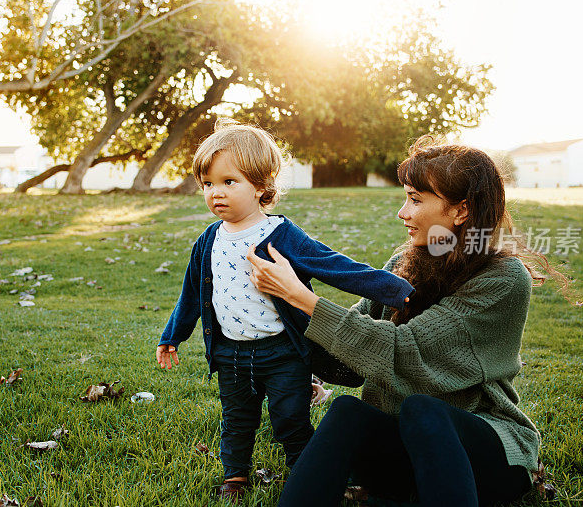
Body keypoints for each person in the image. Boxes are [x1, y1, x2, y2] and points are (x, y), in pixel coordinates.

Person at [248, 136, 562, 507]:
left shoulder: (503, 279)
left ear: (460, 212)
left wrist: (301, 298)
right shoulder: (404, 265)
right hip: (403, 454)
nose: (403, 212)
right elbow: (348, 363)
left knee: (423, 409)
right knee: (347, 411)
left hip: (487, 457)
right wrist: (275, 320)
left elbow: (404, 351)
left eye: (415, 199)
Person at [156, 119, 415, 502]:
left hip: (283, 352)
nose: (216, 193)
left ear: (262, 186)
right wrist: (172, 336)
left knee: (290, 419)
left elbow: (335, 266)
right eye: (208, 184)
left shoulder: (281, 235)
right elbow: (192, 294)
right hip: (230, 352)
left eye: (229, 182)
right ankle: (235, 476)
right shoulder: (208, 240)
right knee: (237, 420)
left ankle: (309, 470)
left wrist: (397, 290)